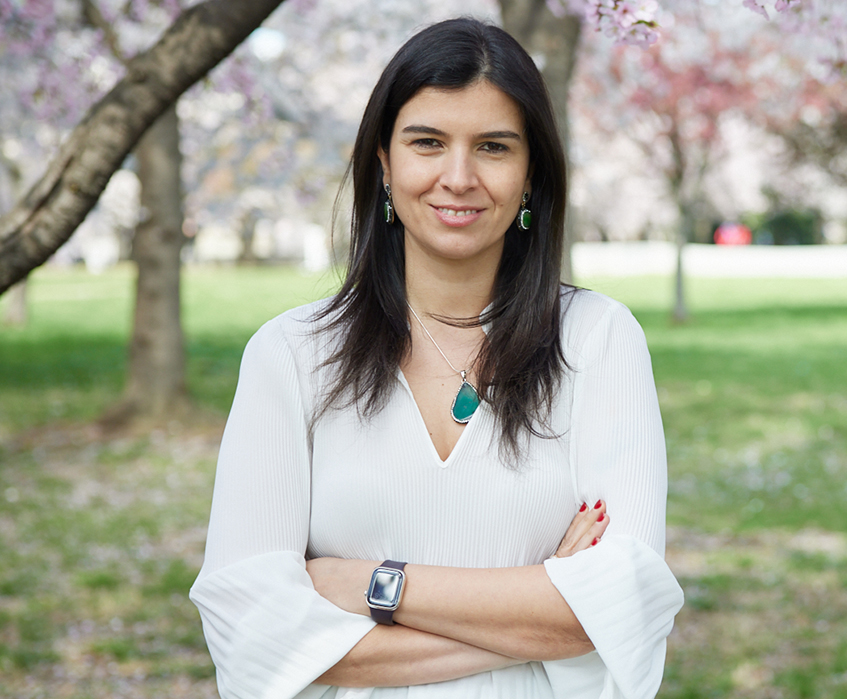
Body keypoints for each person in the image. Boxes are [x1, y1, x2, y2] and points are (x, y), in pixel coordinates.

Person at [190, 17, 683, 699]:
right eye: (428, 142)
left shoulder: (598, 341)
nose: (459, 177)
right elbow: (251, 632)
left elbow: (626, 604)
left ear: (531, 172)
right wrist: (547, 614)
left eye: (493, 147)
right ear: (385, 165)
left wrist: (370, 585)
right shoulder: (291, 355)